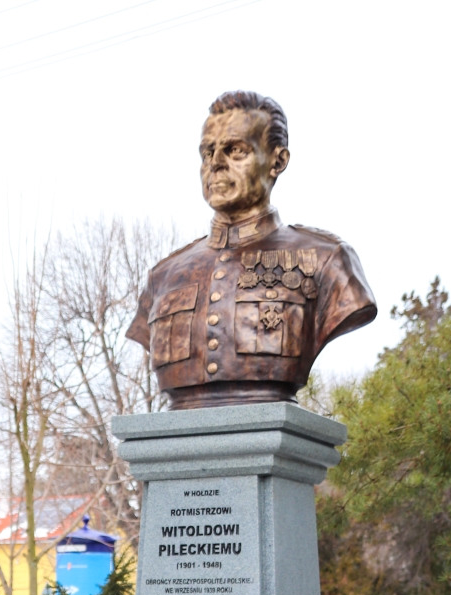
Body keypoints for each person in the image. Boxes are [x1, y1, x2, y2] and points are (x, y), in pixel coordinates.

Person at [126, 91, 376, 409]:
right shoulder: (163, 276)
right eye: (207, 153)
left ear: (277, 161)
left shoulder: (326, 259)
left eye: (235, 151)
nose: (216, 164)